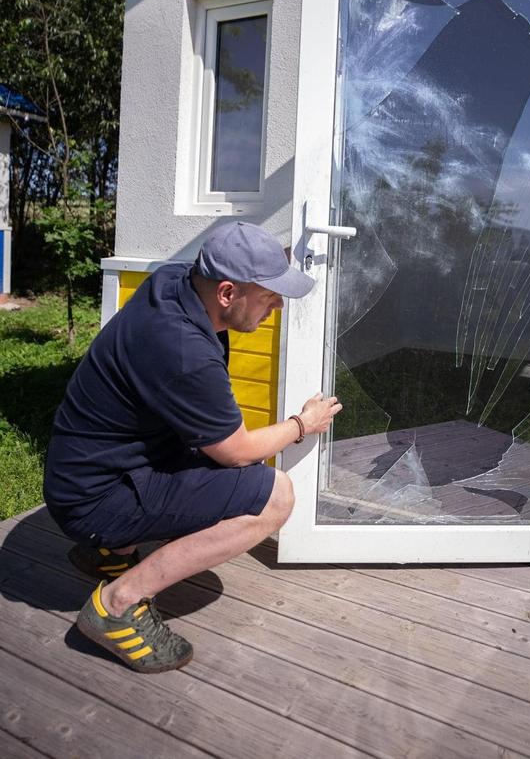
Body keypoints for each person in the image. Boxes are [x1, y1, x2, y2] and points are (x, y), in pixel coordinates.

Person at [43, 221, 342, 674]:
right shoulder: (183, 349)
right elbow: (238, 451)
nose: (277, 305)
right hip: (92, 499)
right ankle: (117, 605)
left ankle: (109, 551)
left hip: (84, 470)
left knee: (215, 459)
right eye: (269, 295)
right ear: (227, 293)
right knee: (273, 496)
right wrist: (304, 423)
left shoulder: (175, 282)